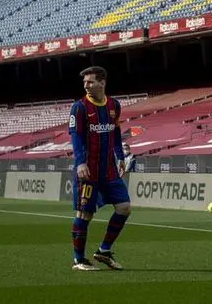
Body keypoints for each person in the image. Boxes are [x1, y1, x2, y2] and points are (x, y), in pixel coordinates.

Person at [68, 66, 131, 271]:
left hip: (109, 170)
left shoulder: (114, 105)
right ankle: (79, 260)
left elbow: (116, 132)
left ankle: (103, 251)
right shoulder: (79, 107)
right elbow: (76, 137)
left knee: (124, 208)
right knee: (84, 214)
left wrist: (120, 156)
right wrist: (80, 163)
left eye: (90, 82)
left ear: (102, 83)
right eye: (84, 82)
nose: (86, 85)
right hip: (88, 170)